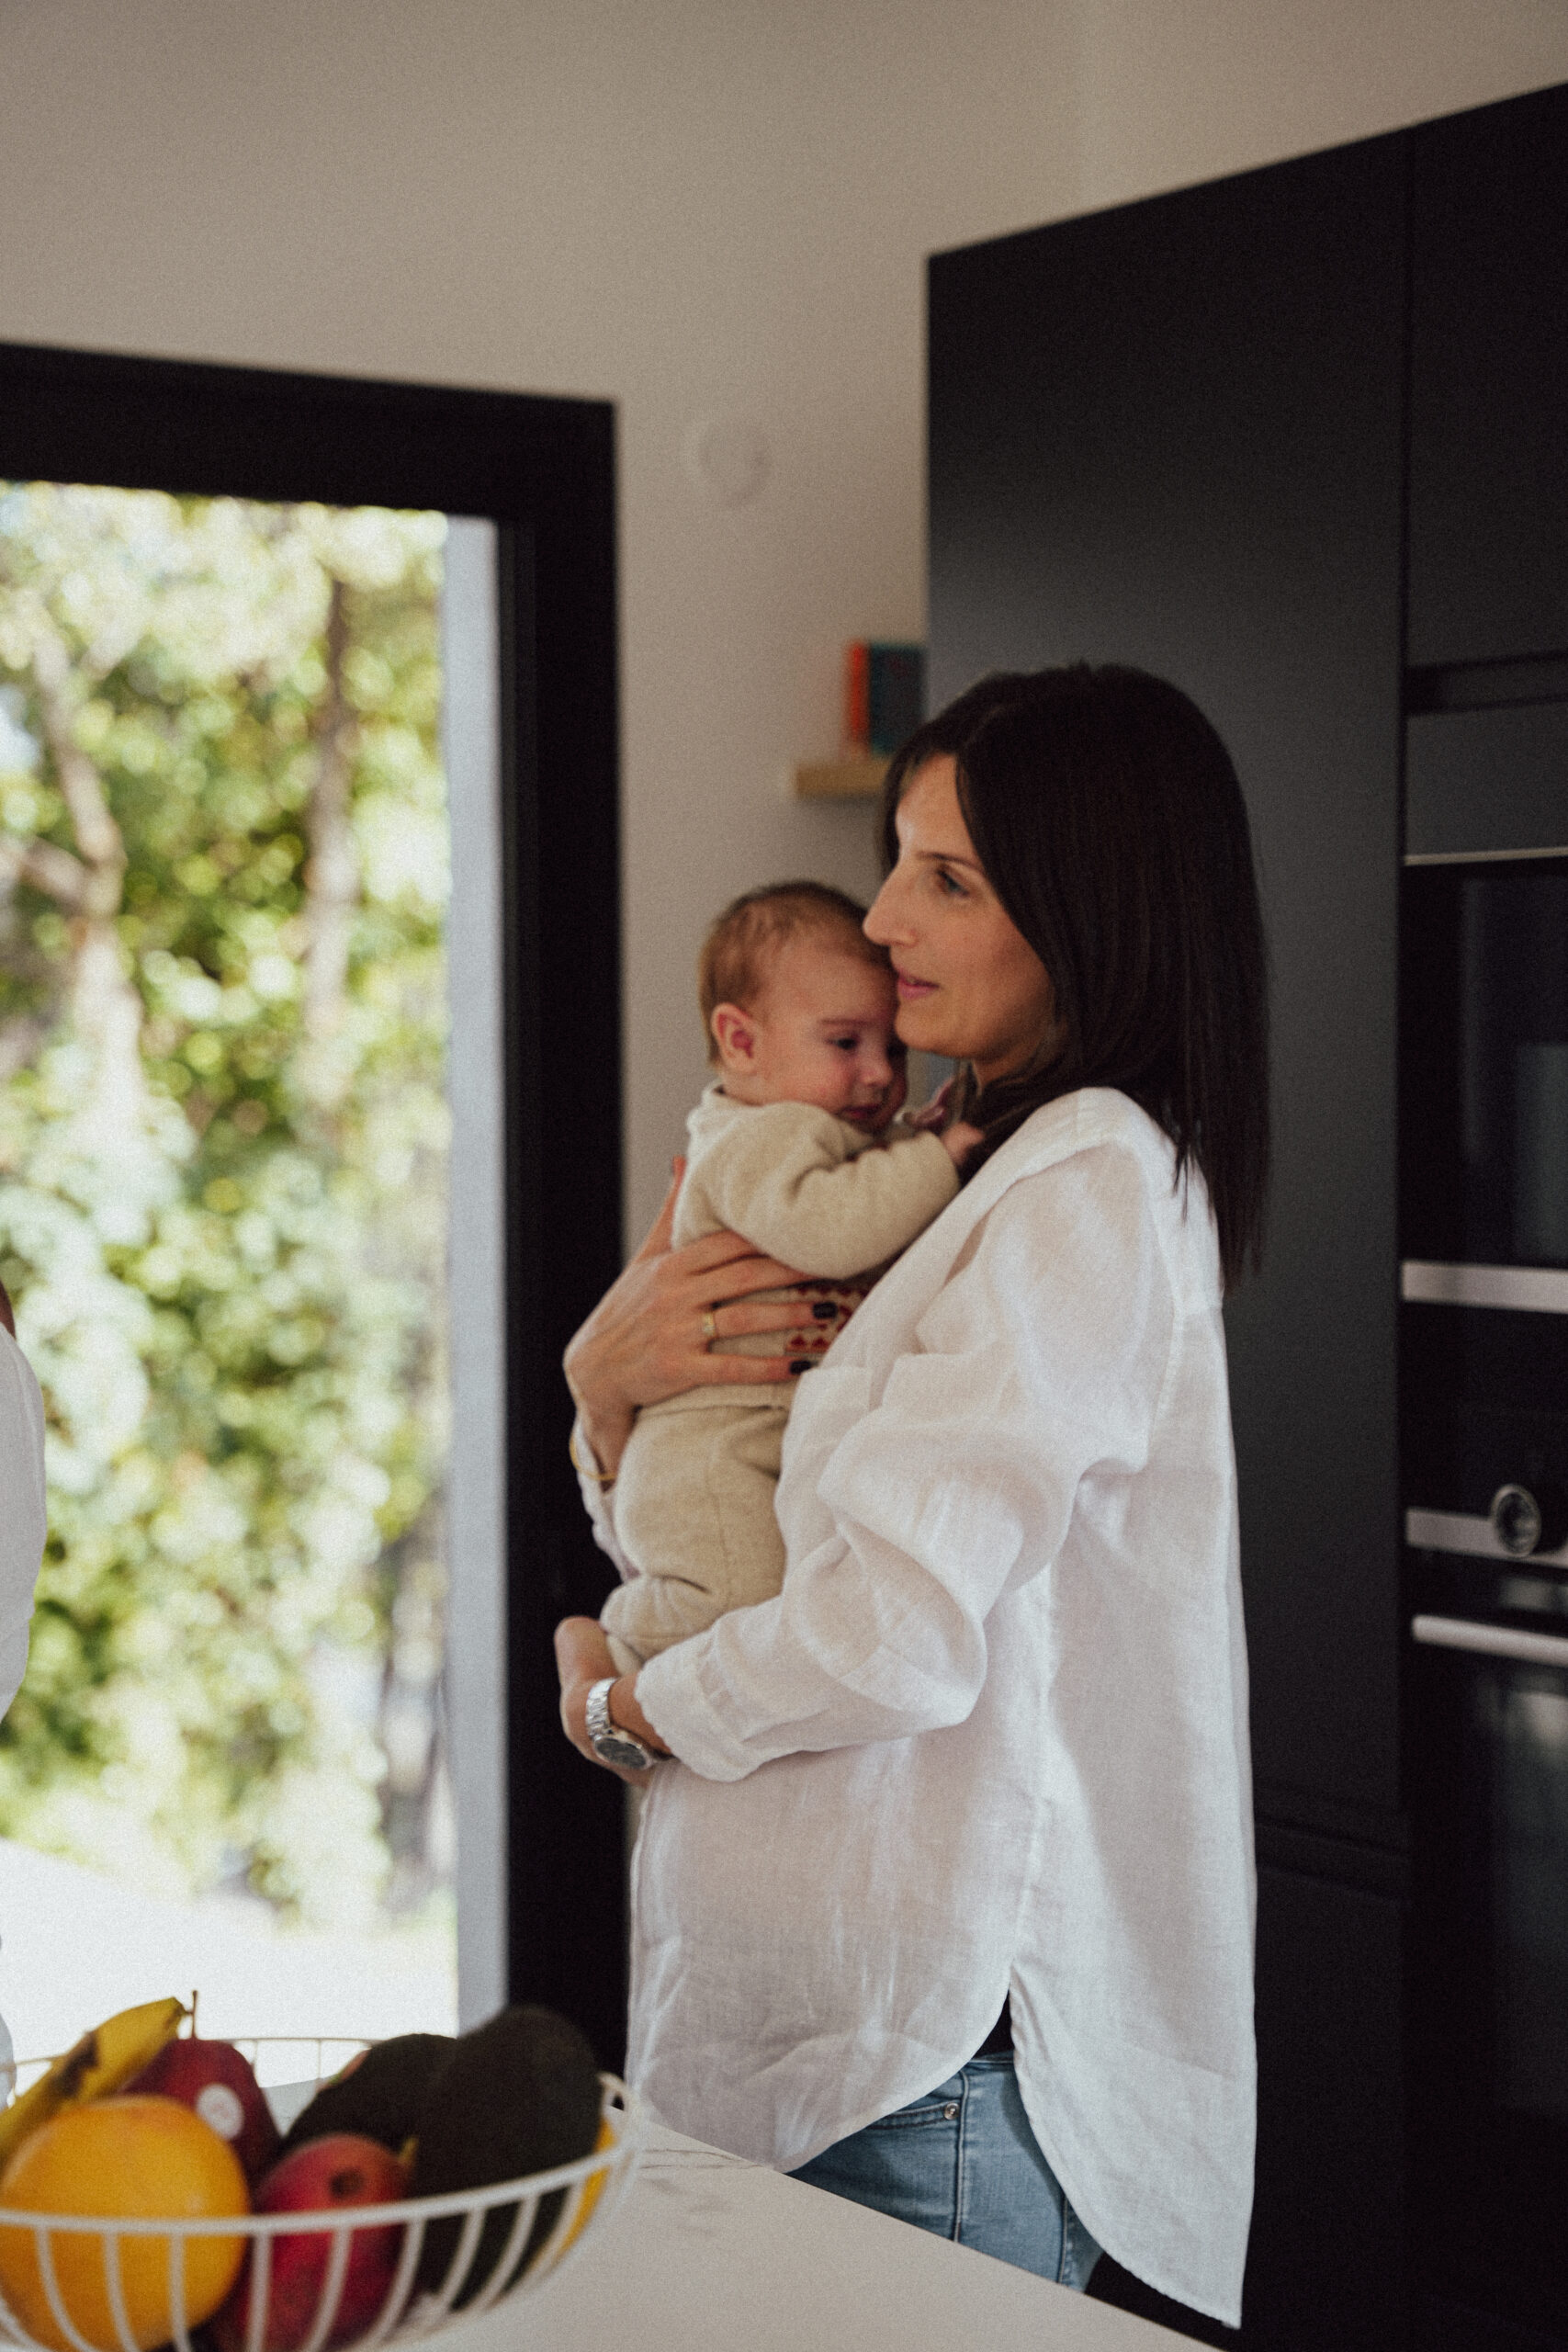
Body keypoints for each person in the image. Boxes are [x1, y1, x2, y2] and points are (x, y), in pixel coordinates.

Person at [556, 663, 1267, 2326]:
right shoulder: (960, 1164)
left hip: (918, 2062)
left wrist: (633, 1711)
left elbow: (885, 1639)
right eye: (897, 858)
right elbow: (748, 1539)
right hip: (822, 2042)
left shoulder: (1082, 1176)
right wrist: (606, 1393)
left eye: (945, 877)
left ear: (1089, 907)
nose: (880, 918)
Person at [598, 879, 976, 1673]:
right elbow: (835, 1229)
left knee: (774, 1597)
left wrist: (915, 1139)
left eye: (892, 1049)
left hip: (756, 1438)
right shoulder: (759, 1140)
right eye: (845, 1044)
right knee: (736, 1602)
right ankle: (625, 1637)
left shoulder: (814, 1130)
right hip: (712, 1452)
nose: (878, 1074)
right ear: (741, 1043)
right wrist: (933, 1158)